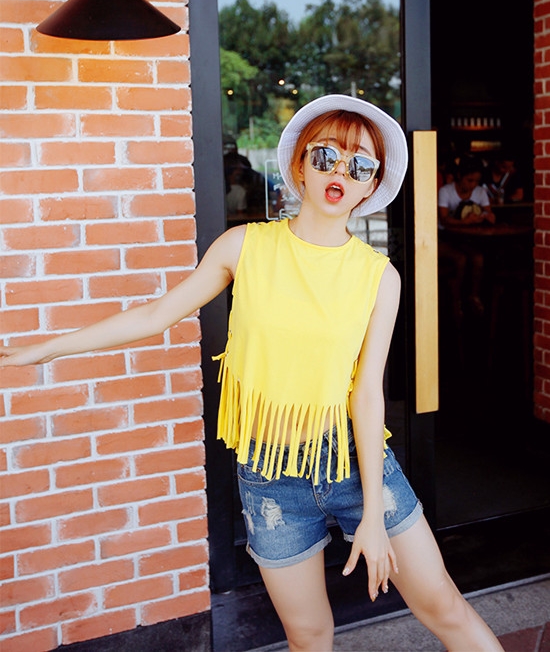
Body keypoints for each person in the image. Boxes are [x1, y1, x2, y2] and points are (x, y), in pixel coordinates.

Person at [0, 95, 503, 652]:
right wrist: (46, 350)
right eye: (327, 155)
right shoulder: (246, 247)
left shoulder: (379, 277)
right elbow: (155, 315)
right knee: (308, 635)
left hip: (353, 463)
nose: (341, 171)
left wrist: (373, 519)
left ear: (370, 187)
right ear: (300, 166)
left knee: (444, 607)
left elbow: (366, 395)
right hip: (269, 475)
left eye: (360, 165)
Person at [438, 155, 496, 315]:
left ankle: (474, 296)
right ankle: (456, 300)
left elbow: (489, 214)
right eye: (469, 180)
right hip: (444, 237)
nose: (473, 185)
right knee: (461, 259)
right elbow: (444, 219)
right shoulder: (446, 191)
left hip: (467, 239)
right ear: (459, 176)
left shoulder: (480, 192)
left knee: (479, 258)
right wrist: (466, 221)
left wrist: (487, 216)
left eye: (476, 181)